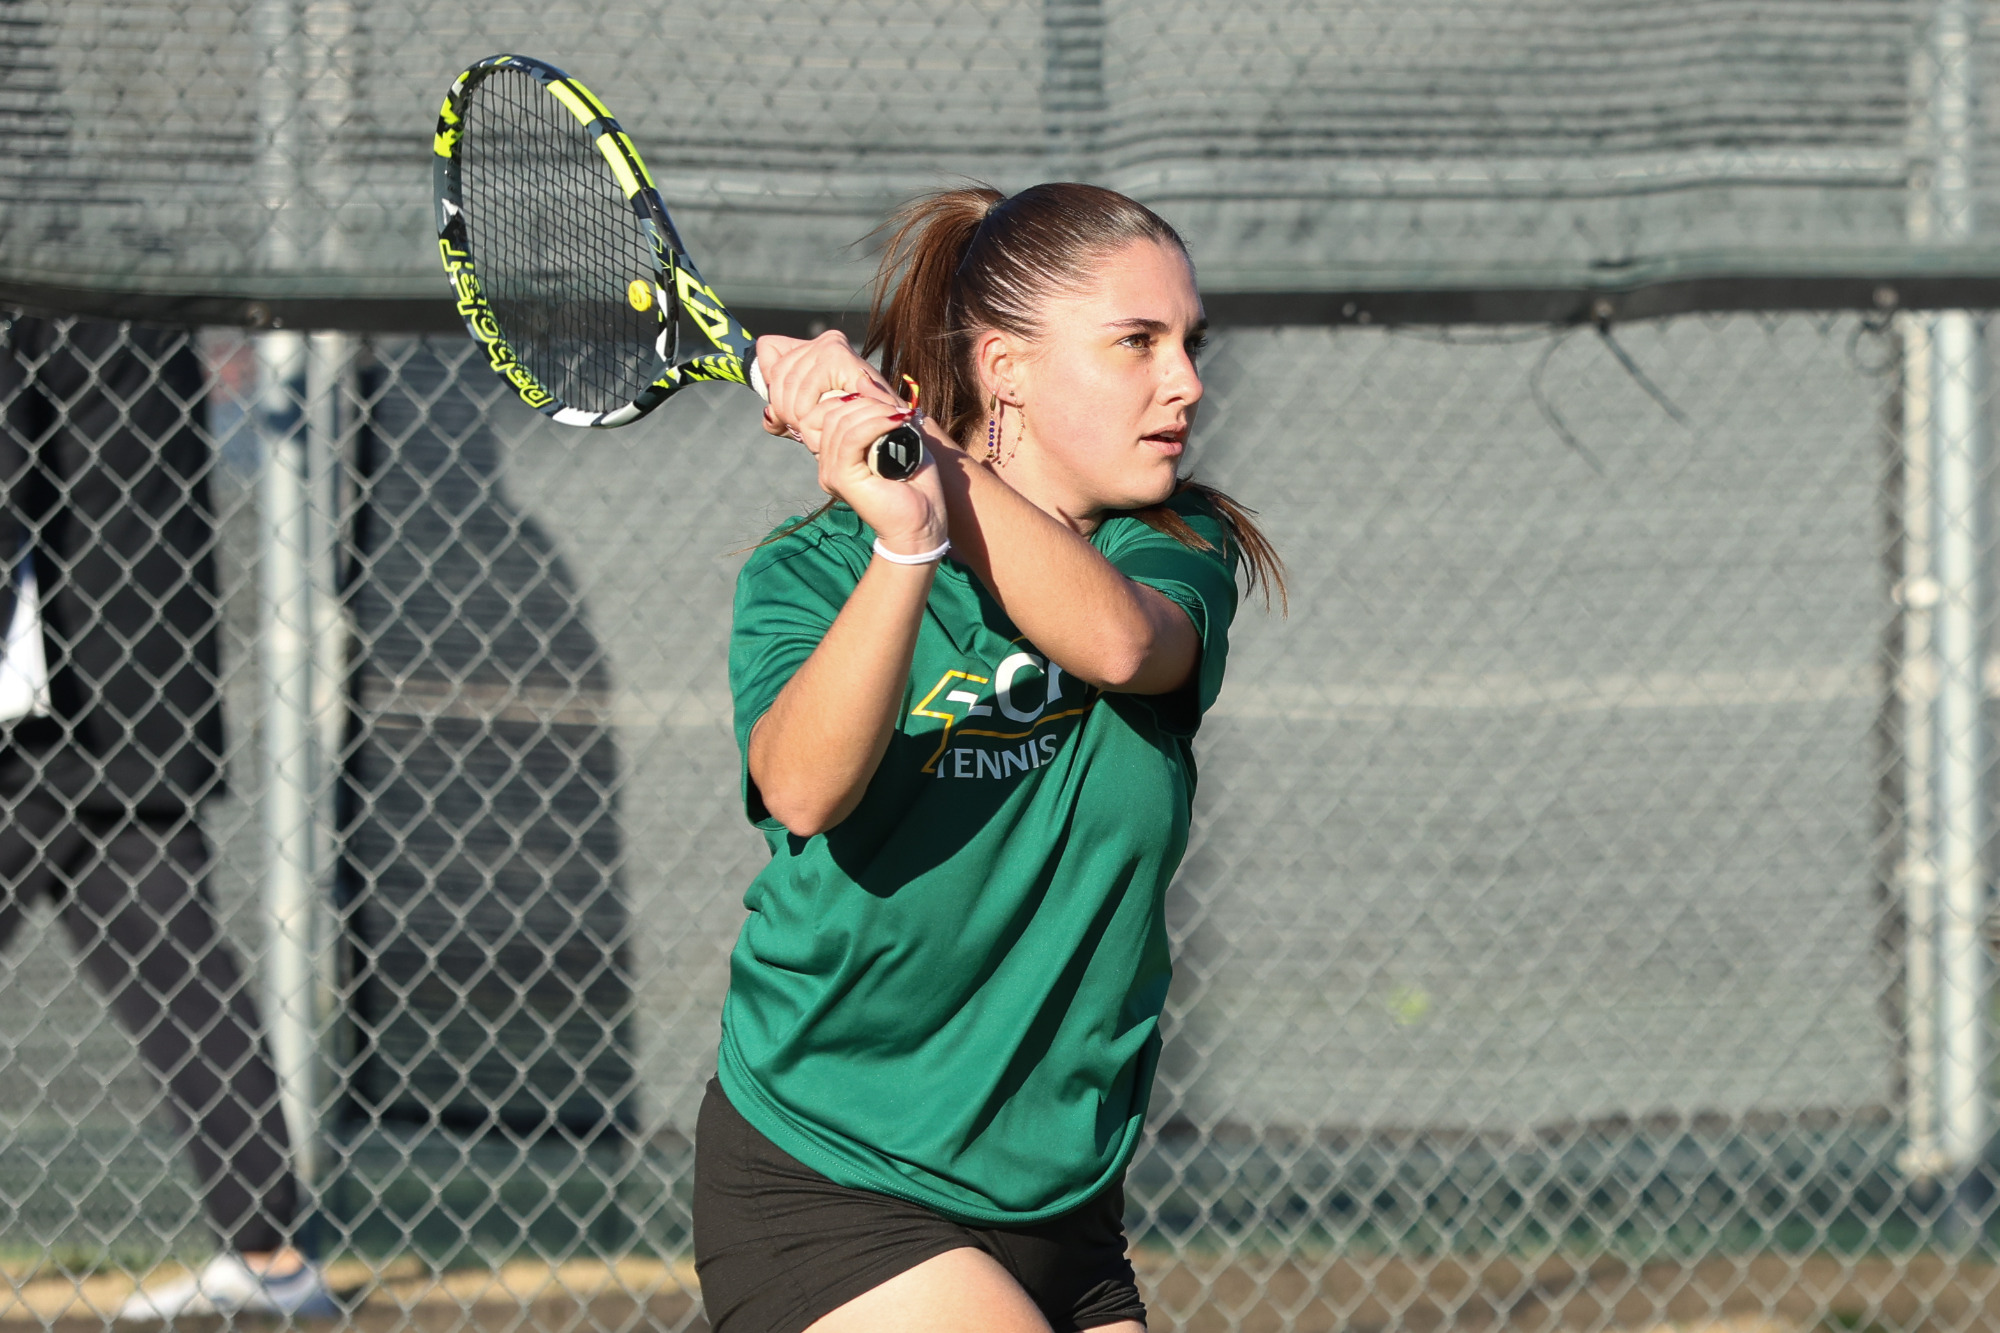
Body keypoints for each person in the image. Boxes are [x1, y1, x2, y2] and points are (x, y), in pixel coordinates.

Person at [692, 184, 1284, 1333]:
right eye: (1135, 343)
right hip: (837, 1168)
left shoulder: (1171, 548)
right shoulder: (810, 571)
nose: (1186, 382)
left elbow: (1117, 643)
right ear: (1004, 367)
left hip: (1059, 1196)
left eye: (1187, 343)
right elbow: (802, 787)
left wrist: (925, 465)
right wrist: (904, 543)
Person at [0, 316, 334, 1319]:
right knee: (176, 966)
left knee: (174, 966)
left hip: (48, 713)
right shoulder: (132, 289)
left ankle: (270, 1254)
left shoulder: (35, 283)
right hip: (139, 697)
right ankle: (271, 1255)